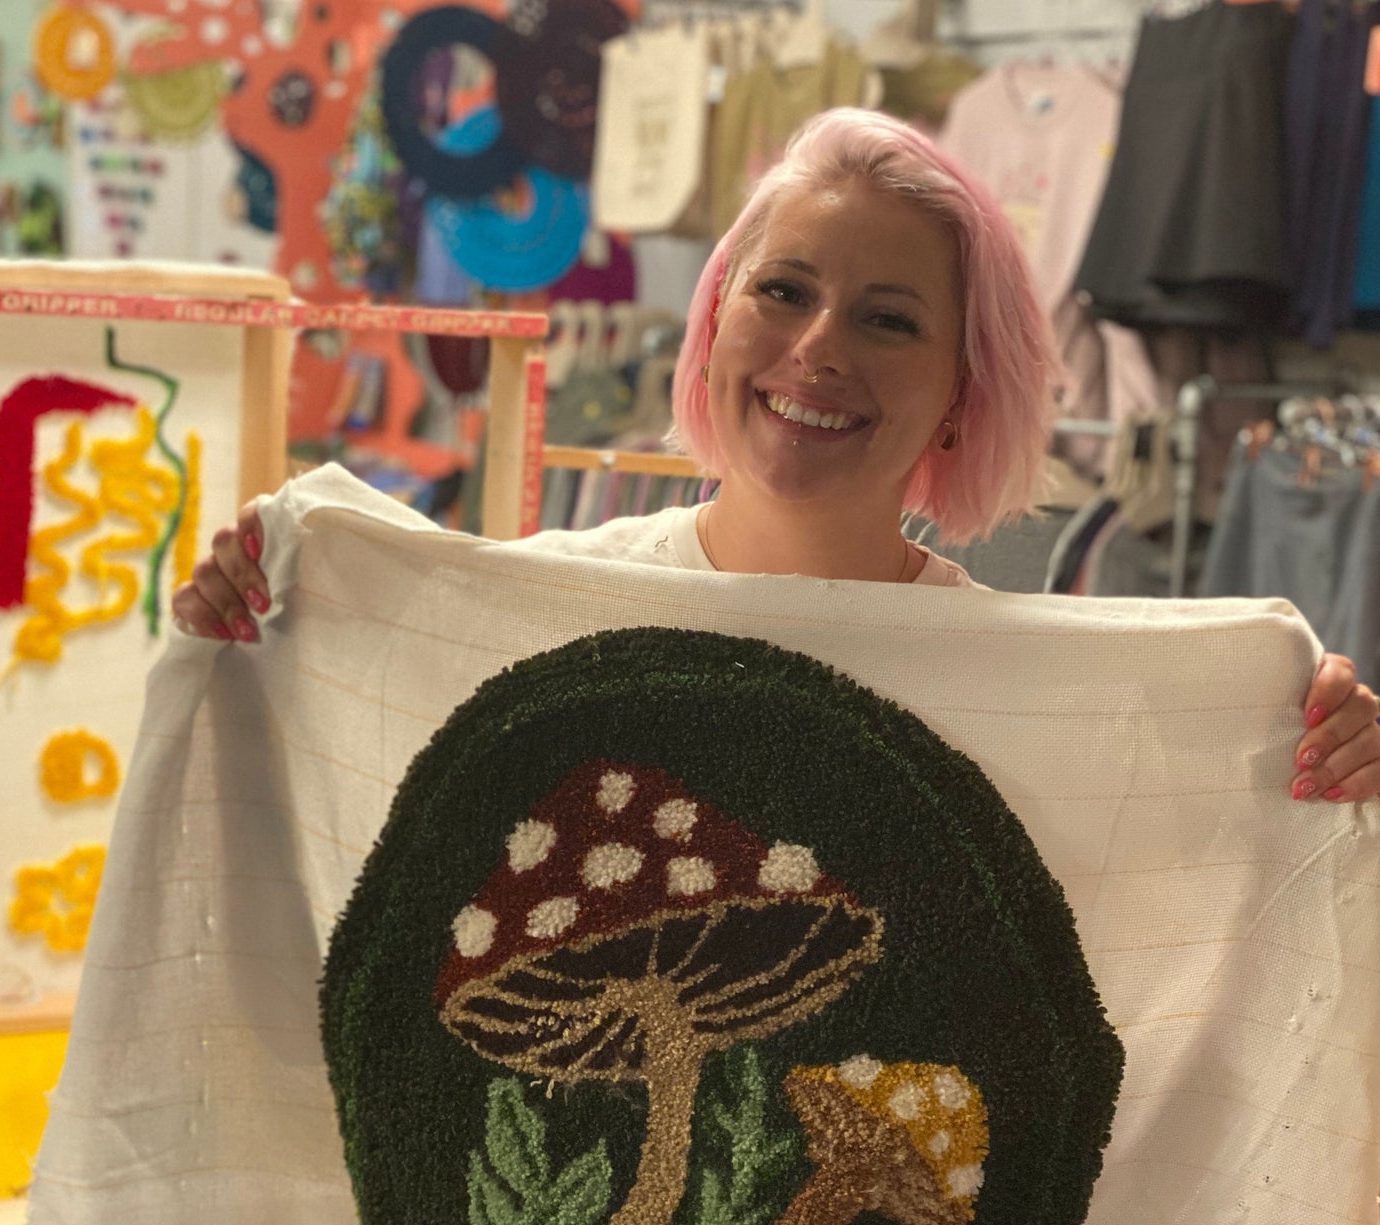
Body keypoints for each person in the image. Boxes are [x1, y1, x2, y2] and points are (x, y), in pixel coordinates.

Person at [173, 108, 1380, 804]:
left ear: (965, 391)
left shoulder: (1022, 696)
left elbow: (1183, 953)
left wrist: (1330, 777)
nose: (816, 349)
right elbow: (330, 824)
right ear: (712, 324)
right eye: (783, 291)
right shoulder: (535, 614)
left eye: (890, 318)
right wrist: (254, 634)